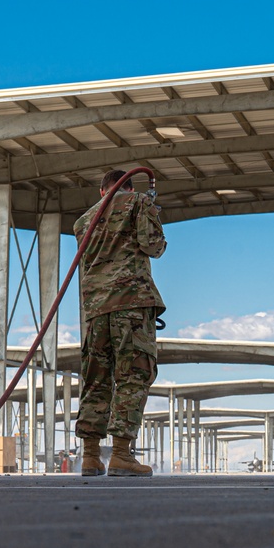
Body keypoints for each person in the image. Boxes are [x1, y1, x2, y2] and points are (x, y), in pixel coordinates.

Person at [74, 170, 166, 477]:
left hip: (95, 309)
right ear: (127, 187)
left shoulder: (83, 221)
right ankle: (122, 455)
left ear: (102, 192)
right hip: (131, 303)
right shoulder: (138, 202)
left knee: (96, 378)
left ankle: (90, 456)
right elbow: (153, 246)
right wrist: (151, 212)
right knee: (133, 374)